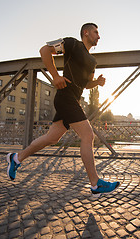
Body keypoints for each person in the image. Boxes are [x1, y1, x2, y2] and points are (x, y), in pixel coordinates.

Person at [6, 23, 120, 197]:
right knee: (88, 135)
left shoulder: (92, 61)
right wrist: (55, 76)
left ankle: (16, 158)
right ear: (86, 32)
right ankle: (96, 184)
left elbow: (86, 84)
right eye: (96, 32)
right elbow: (44, 50)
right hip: (65, 97)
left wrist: (96, 82)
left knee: (51, 138)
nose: (99, 36)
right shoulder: (72, 44)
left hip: (72, 100)